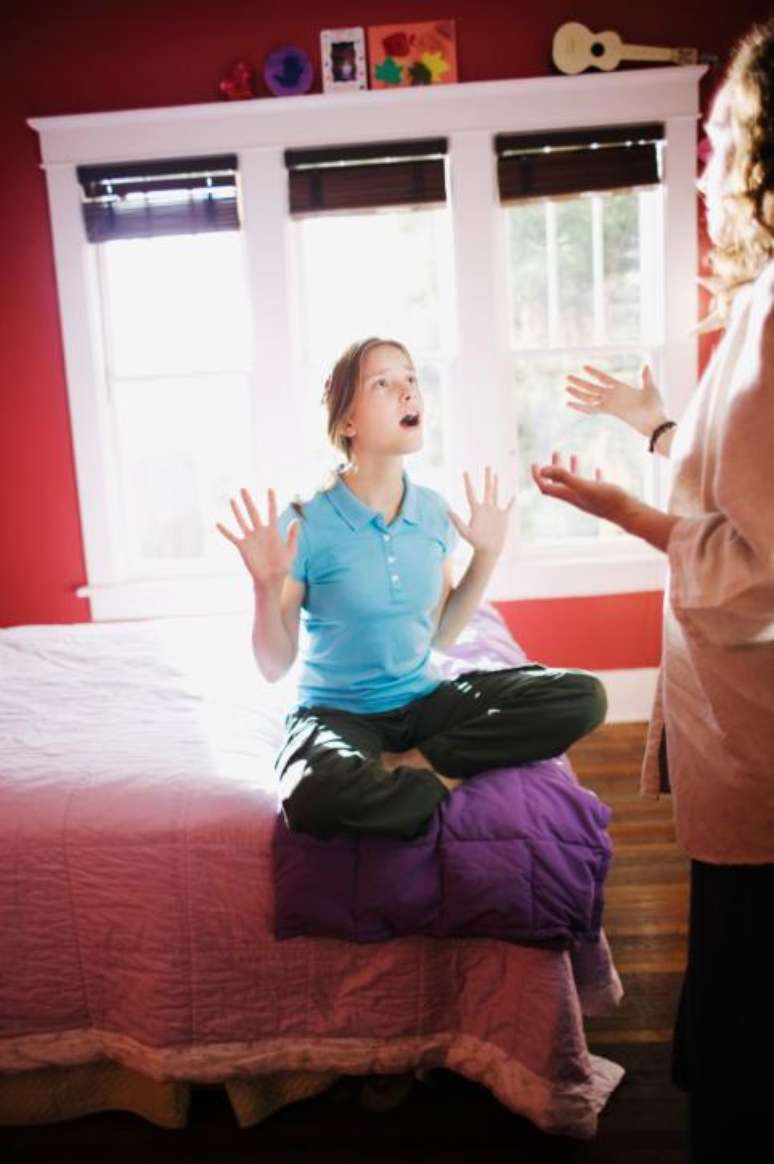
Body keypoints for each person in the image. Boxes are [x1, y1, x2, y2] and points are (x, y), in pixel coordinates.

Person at [532, 19, 774, 1163]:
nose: (714, 163)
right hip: (738, 718)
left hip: (761, 725)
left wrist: (619, 509)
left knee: (748, 957)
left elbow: (762, 561)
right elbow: (746, 486)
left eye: (724, 138)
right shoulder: (763, 305)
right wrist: (652, 422)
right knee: (730, 941)